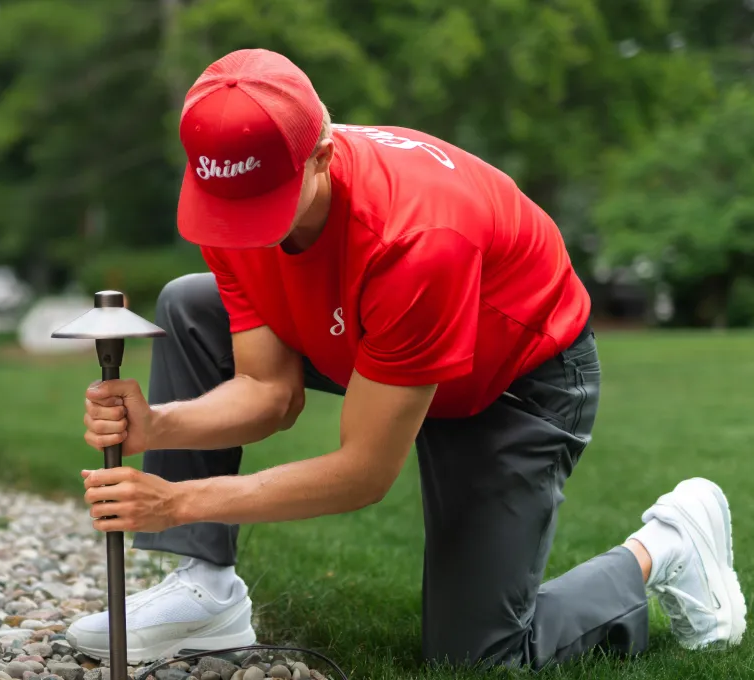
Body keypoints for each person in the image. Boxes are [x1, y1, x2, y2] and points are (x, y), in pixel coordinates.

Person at [66, 48, 747, 670]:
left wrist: (180, 499)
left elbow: (362, 474)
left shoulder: (417, 238)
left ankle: (668, 547)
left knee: (478, 659)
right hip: (372, 336)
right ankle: (206, 591)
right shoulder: (238, 192)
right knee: (194, 301)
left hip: (512, 379)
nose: (241, 232)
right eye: (229, 209)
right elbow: (268, 390)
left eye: (263, 210)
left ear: (323, 156)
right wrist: (161, 426)